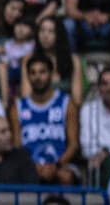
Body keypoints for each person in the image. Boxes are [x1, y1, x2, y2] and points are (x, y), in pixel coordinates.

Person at [17, 51, 82, 184]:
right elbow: (16, 146)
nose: (37, 77)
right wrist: (33, 167)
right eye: (33, 73)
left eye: (42, 72)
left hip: (61, 164)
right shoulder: (18, 106)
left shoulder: (66, 103)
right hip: (29, 166)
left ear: (51, 74)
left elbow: (73, 145)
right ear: (28, 76)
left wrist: (55, 166)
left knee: (66, 177)